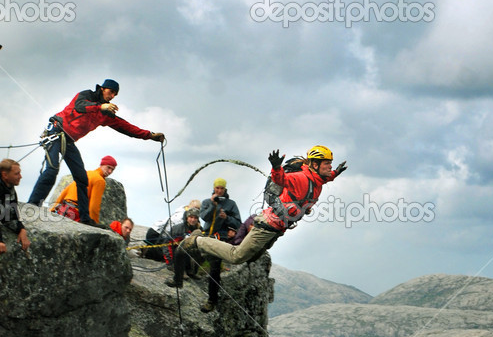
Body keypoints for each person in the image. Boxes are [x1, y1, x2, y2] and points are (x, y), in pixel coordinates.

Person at [179, 146, 346, 269]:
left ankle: (204, 250)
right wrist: (276, 167)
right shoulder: (301, 178)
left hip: (278, 229)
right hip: (267, 225)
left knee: (253, 257)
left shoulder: (317, 181)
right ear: (315, 165)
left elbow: (325, 178)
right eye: (327, 164)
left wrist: (335, 174)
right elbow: (282, 180)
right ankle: (197, 241)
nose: (330, 166)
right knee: (236, 256)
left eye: (330, 163)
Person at [28, 79, 165, 226]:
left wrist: (150, 135)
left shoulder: (106, 114)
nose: (112, 96)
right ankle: (32, 206)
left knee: (82, 178)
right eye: (111, 92)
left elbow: (126, 127)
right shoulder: (86, 95)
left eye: (115, 94)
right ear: (102, 89)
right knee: (52, 170)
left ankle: (86, 219)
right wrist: (101, 107)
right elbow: (80, 106)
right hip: (56, 131)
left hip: (68, 140)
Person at [50, 155, 118, 225]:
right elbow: (94, 206)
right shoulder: (100, 180)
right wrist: (93, 223)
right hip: (75, 214)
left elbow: (65, 191)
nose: (110, 171)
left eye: (112, 170)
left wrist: (52, 209)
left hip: (63, 209)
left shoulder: (86, 173)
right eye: (108, 167)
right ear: (102, 165)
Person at [0, 158, 30, 254]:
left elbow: (9, 215)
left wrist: (21, 229)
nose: (20, 176)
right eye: (16, 174)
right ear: (5, 175)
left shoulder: (10, 188)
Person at [200, 178, 241, 243]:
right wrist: (212, 205)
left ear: (225, 189)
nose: (219, 191)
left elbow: (238, 223)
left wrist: (226, 218)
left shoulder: (231, 203)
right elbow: (204, 217)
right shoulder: (206, 202)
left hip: (224, 237)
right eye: (217, 188)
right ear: (214, 188)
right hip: (208, 235)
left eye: (222, 188)